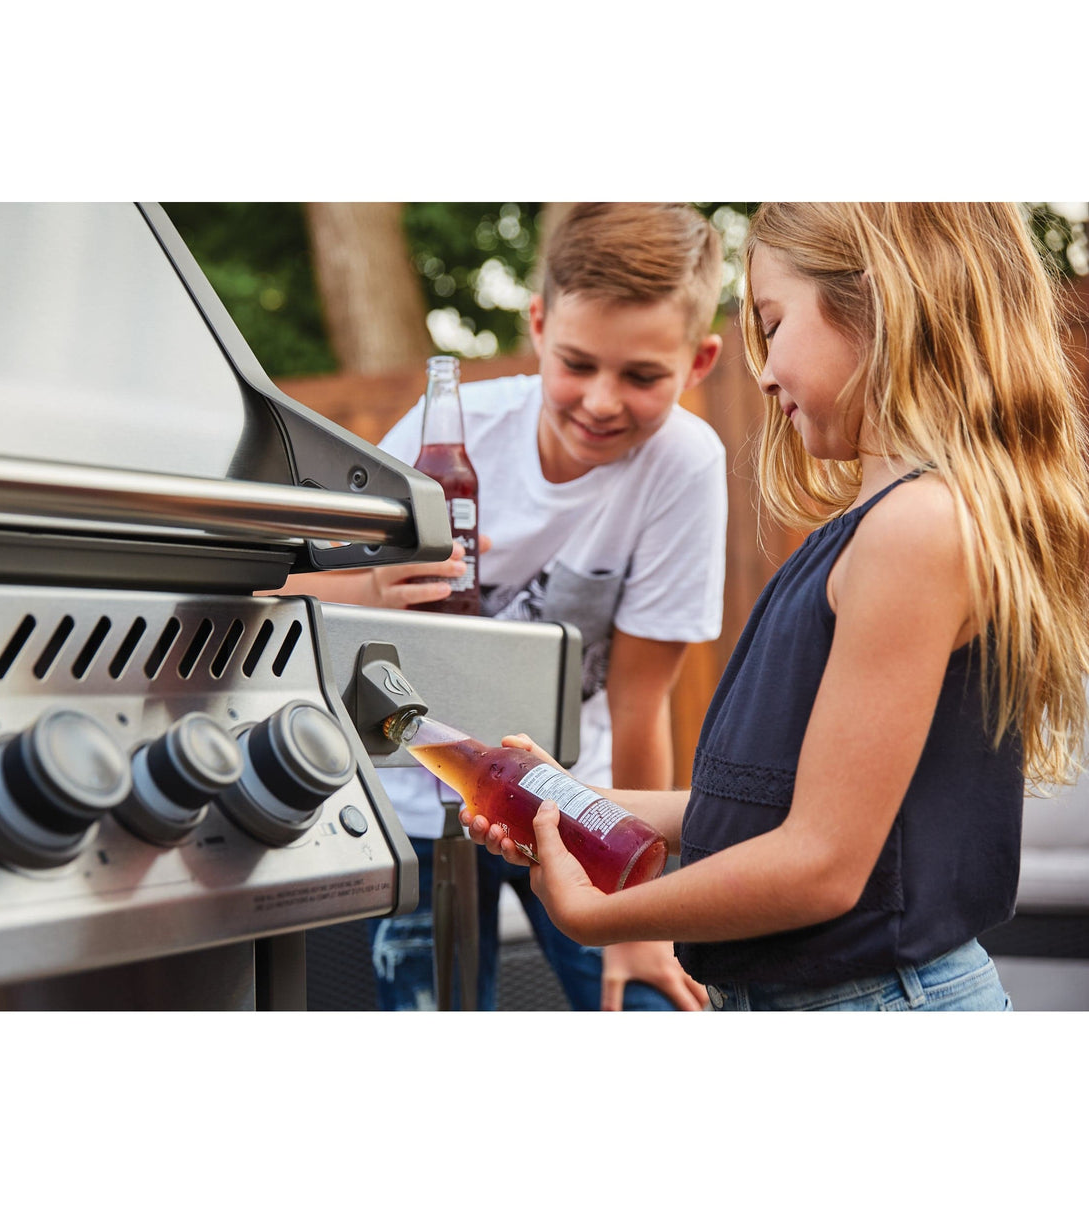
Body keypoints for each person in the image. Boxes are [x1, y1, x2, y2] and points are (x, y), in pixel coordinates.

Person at [463, 202, 1089, 1011]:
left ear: (878, 305)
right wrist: (569, 797)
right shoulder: (876, 528)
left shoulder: (916, 530)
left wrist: (606, 916)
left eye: (772, 322)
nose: (760, 372)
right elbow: (765, 811)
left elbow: (821, 866)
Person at [289, 203, 729, 1011]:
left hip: (574, 787)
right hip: (421, 794)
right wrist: (377, 588)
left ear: (698, 362)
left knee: (645, 1003)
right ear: (537, 324)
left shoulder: (684, 467)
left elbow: (640, 703)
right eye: (577, 364)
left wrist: (638, 918)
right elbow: (297, 587)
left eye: (640, 376)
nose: (600, 401)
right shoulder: (445, 435)